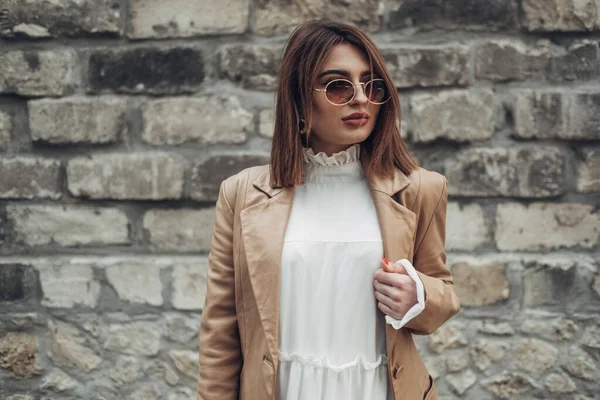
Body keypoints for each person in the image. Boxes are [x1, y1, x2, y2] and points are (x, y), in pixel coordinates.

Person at [197, 20, 460, 400]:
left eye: (371, 85)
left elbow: (444, 295)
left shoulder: (420, 189)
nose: (359, 98)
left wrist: (417, 295)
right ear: (300, 98)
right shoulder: (242, 194)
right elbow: (221, 329)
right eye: (338, 85)